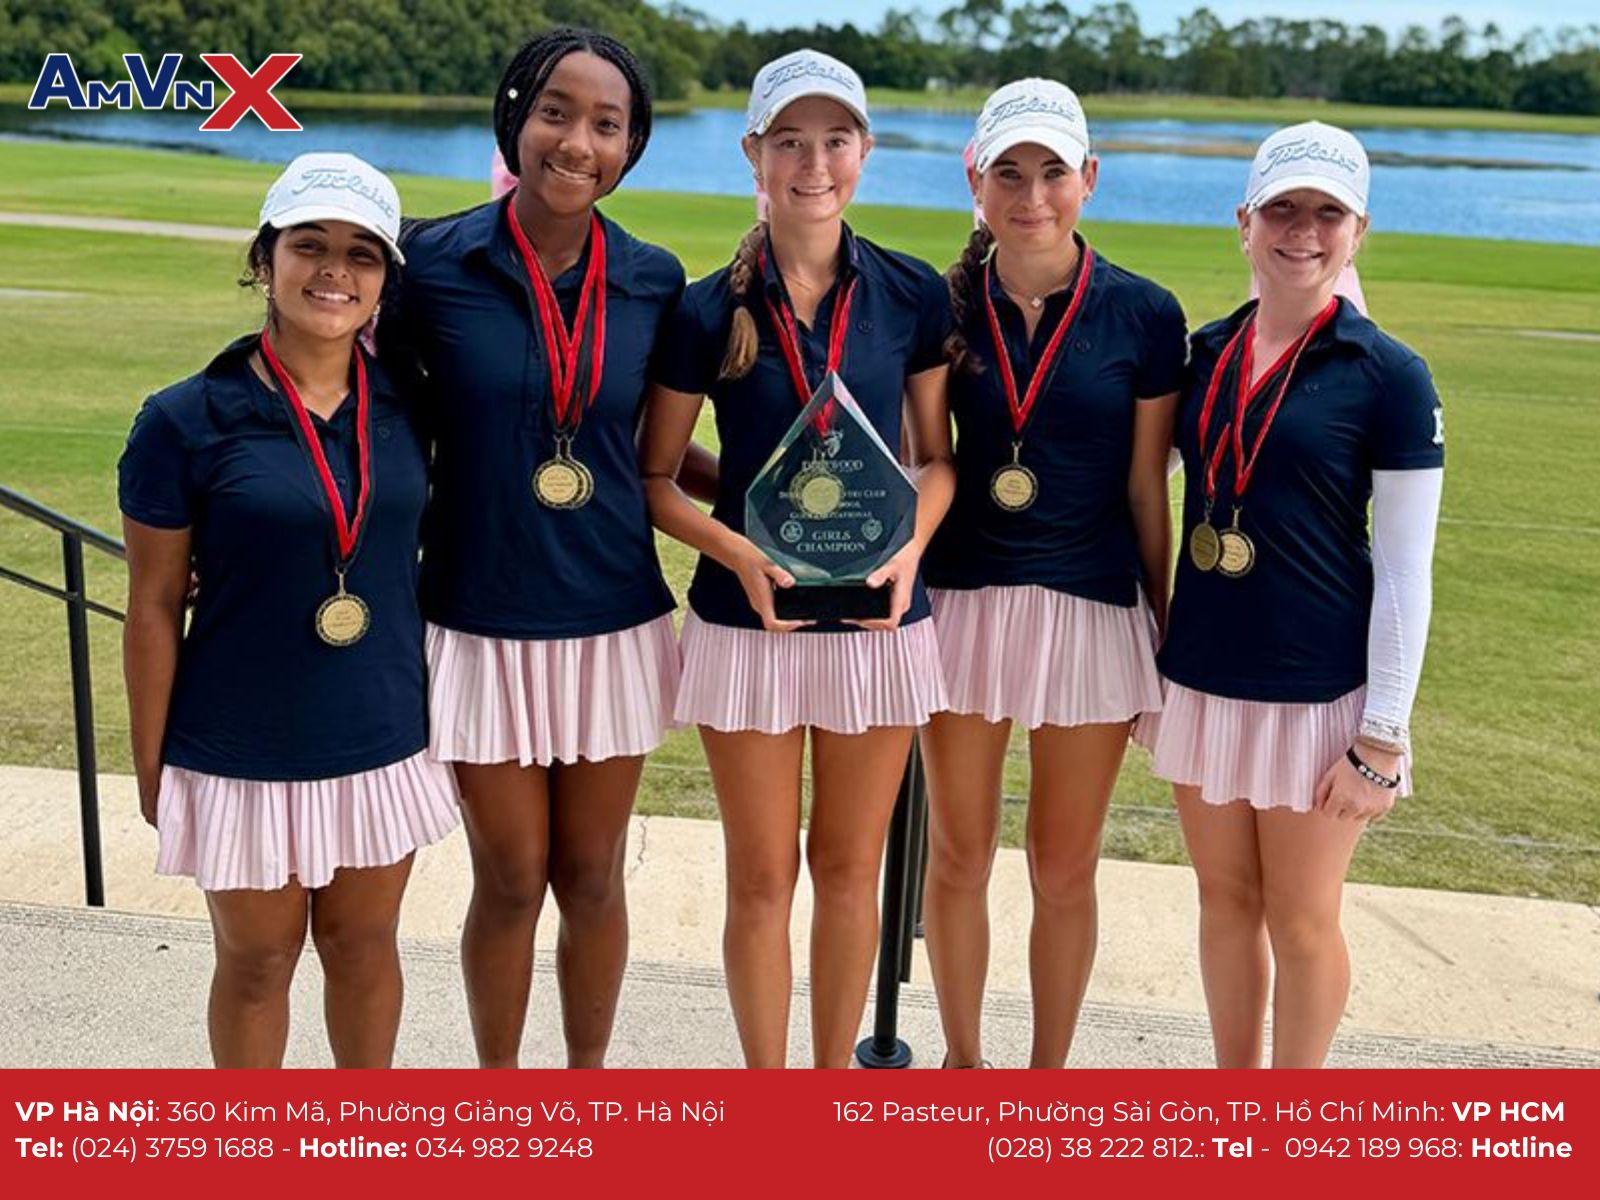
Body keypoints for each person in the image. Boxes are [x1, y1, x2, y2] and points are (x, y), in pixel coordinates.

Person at [378, 28, 694, 1069]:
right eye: (556, 112)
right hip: (477, 614)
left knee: (591, 876)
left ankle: (584, 1096)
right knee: (511, 878)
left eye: (607, 124)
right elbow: (358, 416)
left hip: (610, 616)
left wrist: (784, 513)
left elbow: (653, 451)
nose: (577, 142)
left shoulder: (652, 280)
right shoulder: (427, 264)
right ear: (514, 117)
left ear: (631, 146)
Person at [639, 49, 955, 1068]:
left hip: (878, 619)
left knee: (850, 872)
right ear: (753, 154)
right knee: (761, 879)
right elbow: (655, 478)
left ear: (864, 150)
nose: (813, 164)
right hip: (747, 625)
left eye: (834, 140)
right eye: (789, 141)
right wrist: (739, 552)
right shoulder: (704, 309)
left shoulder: (910, 292)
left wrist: (908, 553)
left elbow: (937, 460)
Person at [119, 153, 458, 1068]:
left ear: (384, 280)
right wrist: (152, 764)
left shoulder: (416, 406)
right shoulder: (184, 420)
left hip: (380, 731)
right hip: (236, 743)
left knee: (363, 949)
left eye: (362, 253)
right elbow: (154, 604)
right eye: (309, 245)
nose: (334, 271)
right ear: (264, 259)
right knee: (258, 962)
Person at [1144, 121, 1445, 1068]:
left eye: (1327, 213)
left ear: (1359, 231)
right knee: (1225, 902)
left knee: (1303, 919)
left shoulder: (1390, 375)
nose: (1302, 232)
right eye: (1282, 209)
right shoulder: (1204, 354)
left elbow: (1405, 570)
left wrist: (1382, 736)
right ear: (1245, 222)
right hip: (1202, 678)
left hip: (1318, 696)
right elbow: (1139, 491)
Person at [920, 79, 1187, 1069]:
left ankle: (1045, 1082)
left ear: (1089, 178)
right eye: (1009, 173)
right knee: (957, 855)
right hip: (962, 602)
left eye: (1052, 173)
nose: (1031, 195)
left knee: (1063, 867)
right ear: (976, 181)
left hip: (1091, 606)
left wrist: (1165, 625)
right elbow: (922, 461)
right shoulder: (939, 303)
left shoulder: (1144, 313)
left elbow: (1147, 490)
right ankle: (962, 1066)